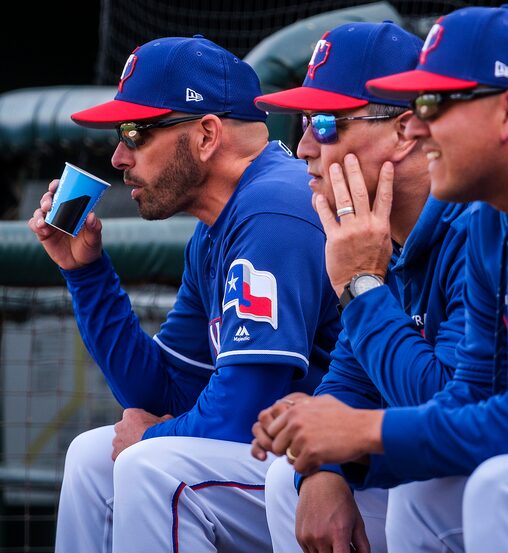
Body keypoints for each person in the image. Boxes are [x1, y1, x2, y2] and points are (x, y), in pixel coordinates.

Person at [263, 7, 508, 552]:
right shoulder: (490, 207)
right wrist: (333, 455)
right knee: (314, 482)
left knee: (491, 489)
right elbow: (467, 396)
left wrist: (363, 429)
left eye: (433, 104)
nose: (417, 123)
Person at [28, 36, 340, 553]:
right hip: (279, 460)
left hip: (332, 475)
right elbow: (163, 391)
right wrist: (87, 275)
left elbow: (245, 412)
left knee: (154, 467)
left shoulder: (271, 209)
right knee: (92, 454)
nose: (119, 156)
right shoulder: (218, 226)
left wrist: (150, 439)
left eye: (136, 132)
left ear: (206, 134)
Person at [249, 21, 470, 552]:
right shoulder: (378, 230)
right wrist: (322, 467)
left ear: (403, 129)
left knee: (423, 494)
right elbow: (349, 381)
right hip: (449, 465)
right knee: (290, 476)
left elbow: (446, 407)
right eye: (302, 121)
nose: (303, 147)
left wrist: (361, 285)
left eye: (325, 124)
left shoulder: (470, 224)